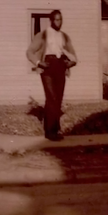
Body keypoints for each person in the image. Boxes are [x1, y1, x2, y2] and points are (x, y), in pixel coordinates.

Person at [26, 9, 77, 141]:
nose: (58, 22)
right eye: (55, 19)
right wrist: (38, 63)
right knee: (51, 97)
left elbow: (73, 55)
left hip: (60, 66)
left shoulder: (65, 36)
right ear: (51, 20)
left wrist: (69, 63)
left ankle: (55, 130)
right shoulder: (43, 35)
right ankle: (50, 132)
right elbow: (30, 52)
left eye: (60, 19)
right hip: (47, 66)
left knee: (58, 98)